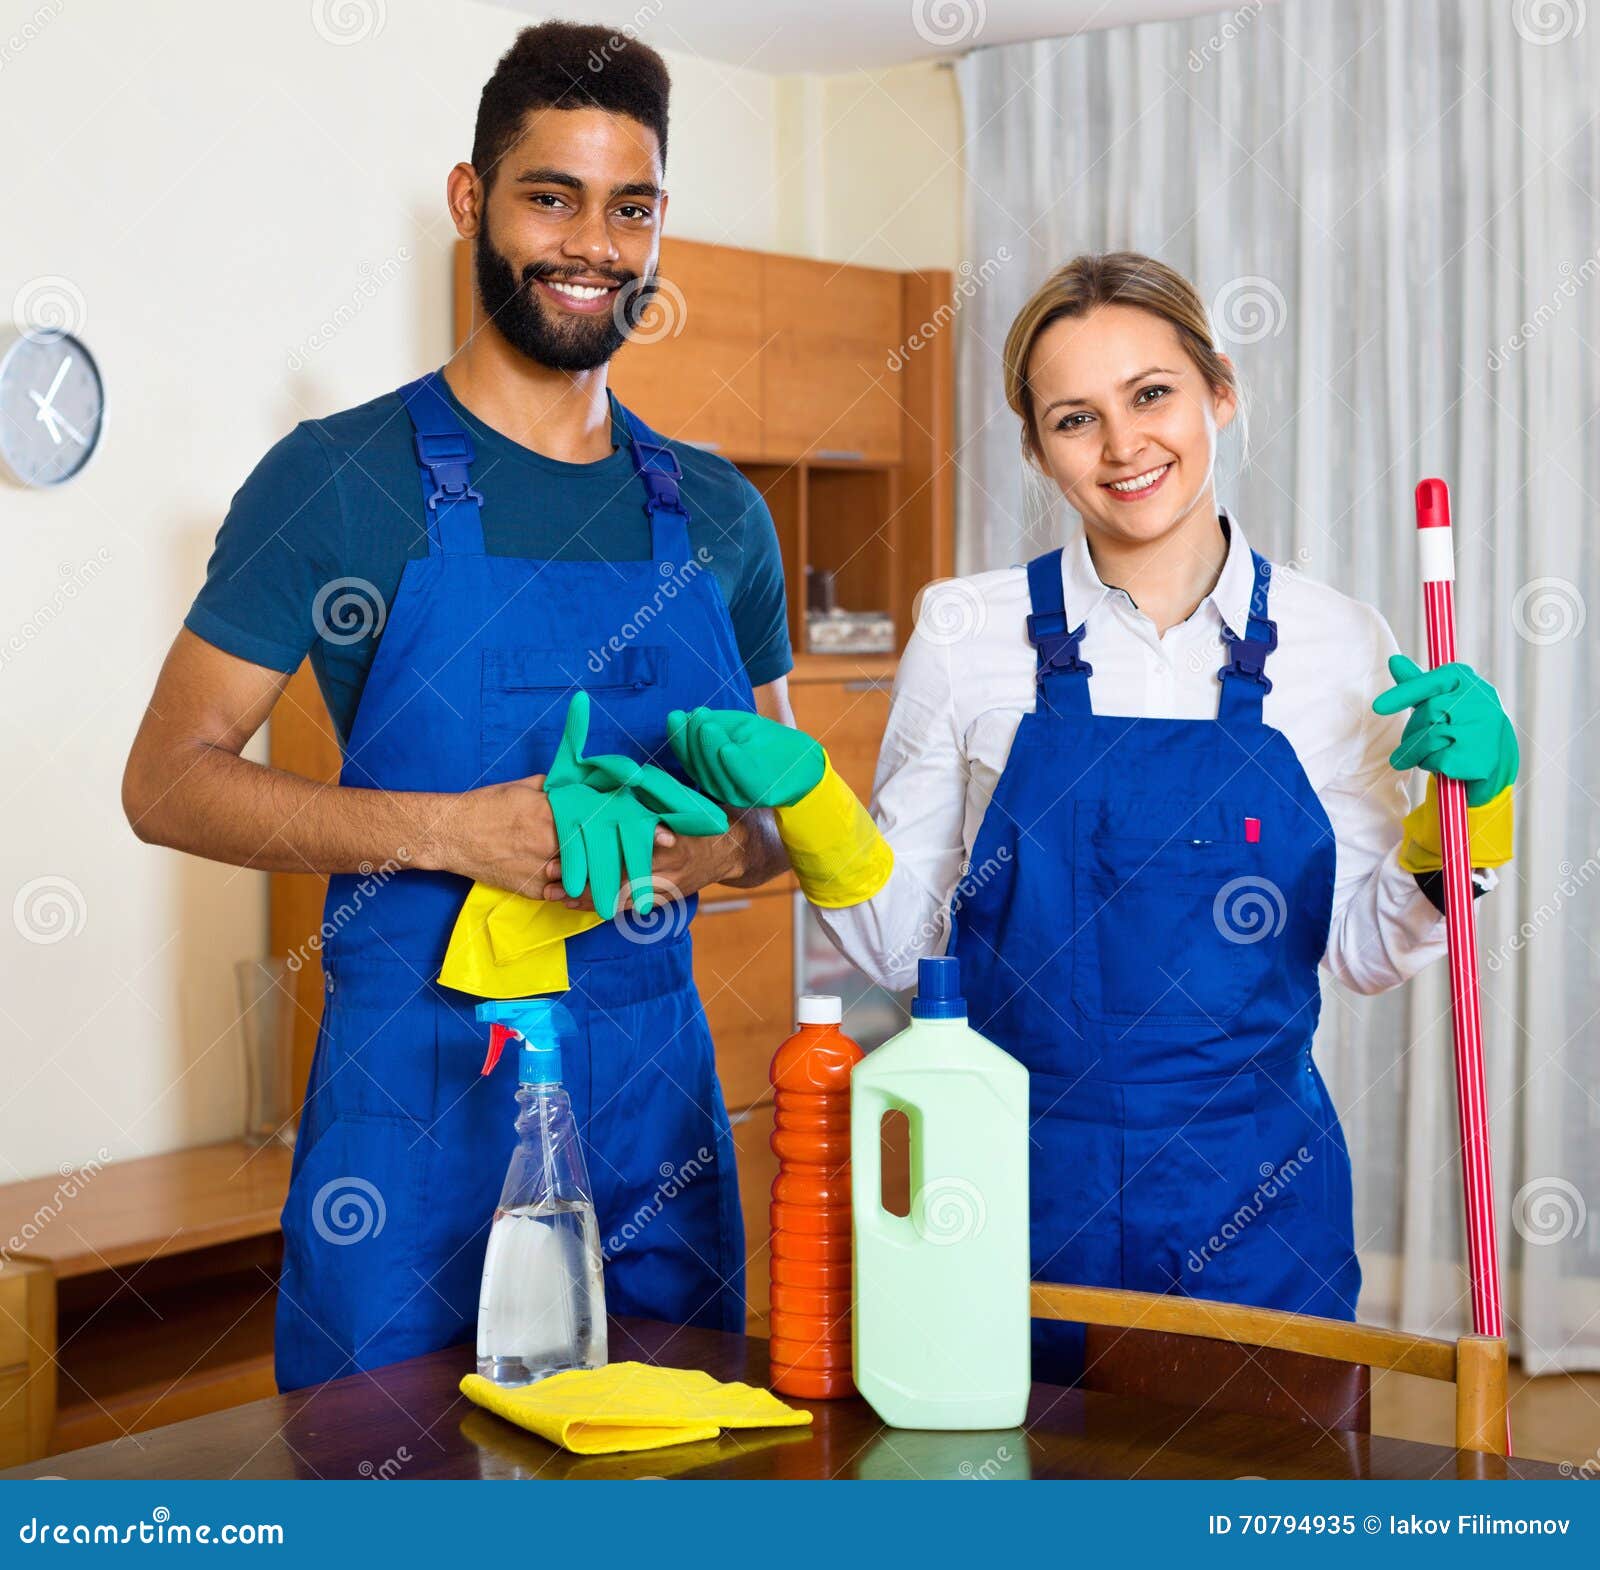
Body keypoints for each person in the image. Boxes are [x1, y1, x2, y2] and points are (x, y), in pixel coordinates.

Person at [665, 253, 1517, 1383]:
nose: (1122, 446)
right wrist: (815, 802)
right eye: (1076, 417)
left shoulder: (1338, 644)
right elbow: (907, 940)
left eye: (1152, 394)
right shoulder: (968, 632)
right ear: (1036, 446)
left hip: (1254, 1189)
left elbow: (1363, 950)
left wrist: (1466, 823)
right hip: (1010, 1181)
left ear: (1220, 390)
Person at [120, 21, 796, 1391]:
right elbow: (167, 780)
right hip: (412, 1094)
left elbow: (785, 825)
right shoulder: (336, 477)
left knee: (669, 1478)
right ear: (472, 199)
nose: (592, 243)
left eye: (631, 206)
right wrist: (455, 831)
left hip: (649, 1097)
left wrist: (716, 850)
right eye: (552, 196)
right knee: (390, 1478)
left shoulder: (720, 512)